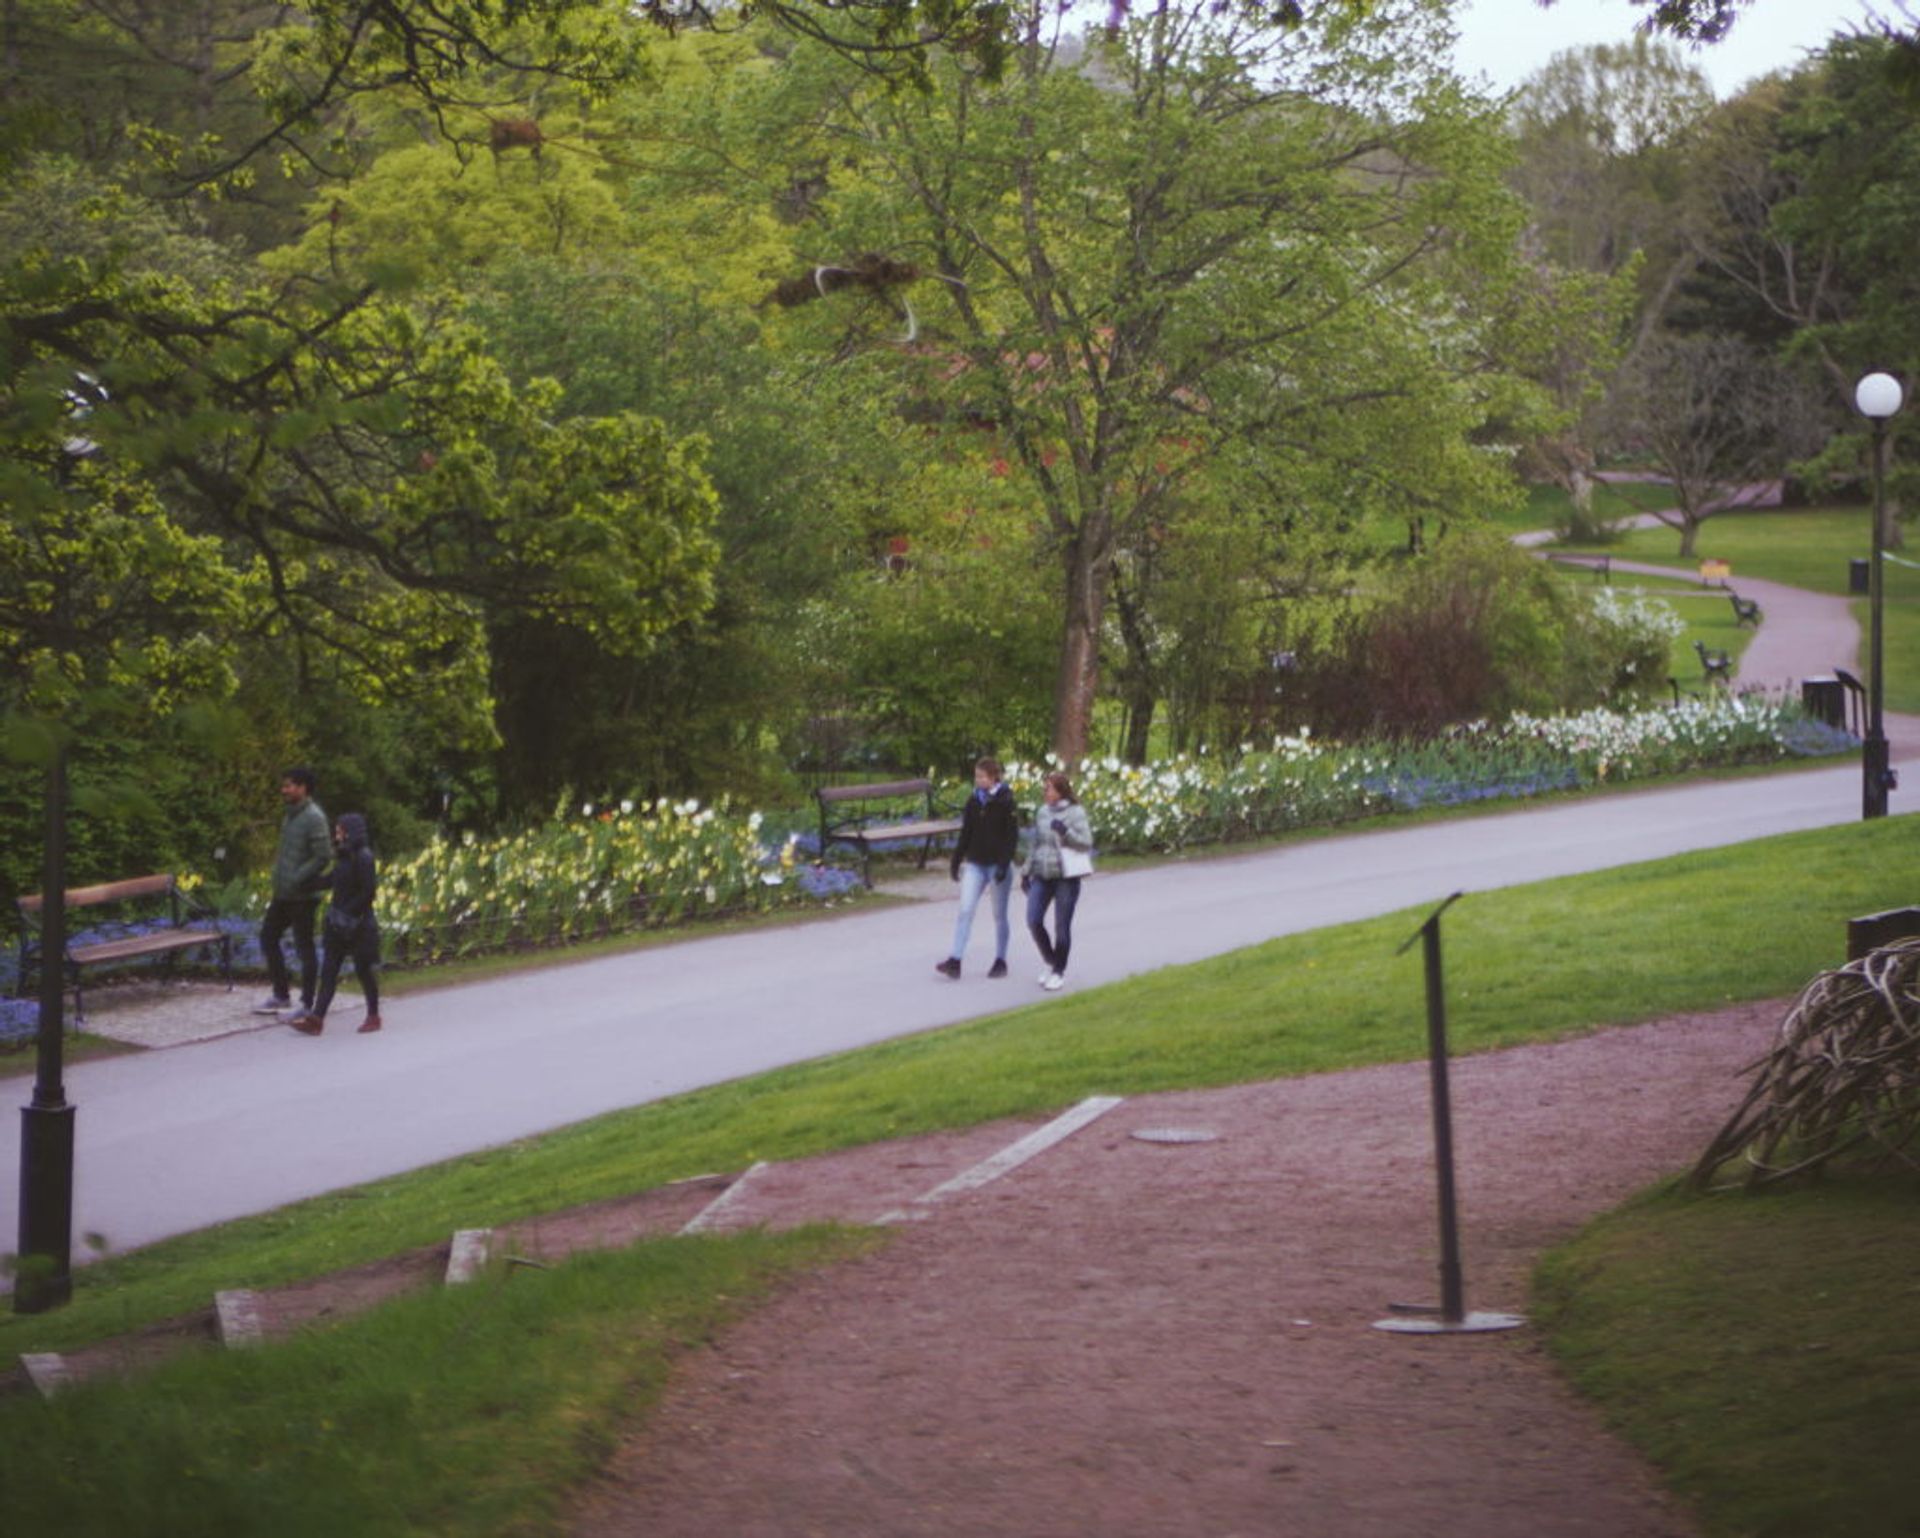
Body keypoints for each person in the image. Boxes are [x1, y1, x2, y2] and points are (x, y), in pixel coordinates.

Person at [288, 813, 383, 1035]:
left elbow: (368, 892)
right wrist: (307, 884)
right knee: (329, 971)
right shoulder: (343, 857)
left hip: (359, 925)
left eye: (339, 830)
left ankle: (373, 1015)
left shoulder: (364, 857)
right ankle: (316, 1020)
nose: (336, 833)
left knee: (364, 971)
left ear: (349, 831)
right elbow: (332, 880)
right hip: (337, 925)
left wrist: (348, 913)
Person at [253, 767, 331, 1016]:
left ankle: (307, 1003)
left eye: (289, 786)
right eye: (284, 785)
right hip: (284, 894)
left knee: (304, 947)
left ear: (303, 788)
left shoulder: (314, 817)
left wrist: (298, 877)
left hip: (304, 896)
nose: (284, 790)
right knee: (268, 937)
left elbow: (323, 856)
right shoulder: (290, 816)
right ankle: (281, 995)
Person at [936, 756, 1018, 980]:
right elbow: (966, 832)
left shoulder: (1006, 801)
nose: (978, 780)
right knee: (965, 910)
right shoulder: (974, 801)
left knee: (999, 915)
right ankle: (955, 959)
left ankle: (1000, 960)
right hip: (975, 864)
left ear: (993, 778)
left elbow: (1012, 837)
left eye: (982, 776)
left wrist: (1003, 864)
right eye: (976, 776)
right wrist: (956, 859)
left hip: (997, 865)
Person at [1021, 770, 1093, 992]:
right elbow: (1037, 843)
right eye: (1044, 788)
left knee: (1062, 927)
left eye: (1049, 788)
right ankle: (1052, 961)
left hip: (1066, 877)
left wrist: (1066, 832)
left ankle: (1058, 972)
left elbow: (1086, 843)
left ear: (1060, 791)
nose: (1045, 791)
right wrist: (1026, 871)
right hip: (1043, 874)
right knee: (1033, 920)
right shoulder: (1042, 812)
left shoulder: (1075, 812)